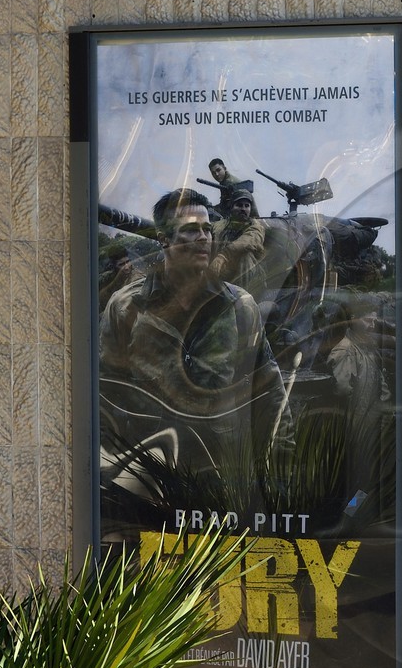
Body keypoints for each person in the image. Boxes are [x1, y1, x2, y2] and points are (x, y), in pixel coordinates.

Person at [99, 188, 293, 491]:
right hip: (150, 475)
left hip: (221, 476)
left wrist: (279, 476)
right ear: (164, 239)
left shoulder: (239, 306)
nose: (203, 238)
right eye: (191, 230)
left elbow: (271, 395)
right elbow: (104, 395)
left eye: (207, 229)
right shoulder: (126, 307)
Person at [211, 184, 268, 292]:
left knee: (245, 255)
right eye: (239, 205)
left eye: (247, 206)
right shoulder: (218, 226)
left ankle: (240, 298)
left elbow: (249, 241)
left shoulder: (256, 226)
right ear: (231, 207)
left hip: (250, 277)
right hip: (222, 271)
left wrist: (223, 256)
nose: (243, 209)